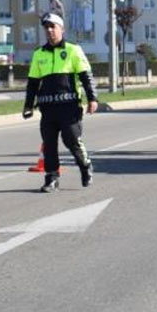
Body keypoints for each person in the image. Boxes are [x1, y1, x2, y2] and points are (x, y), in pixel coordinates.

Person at [22, 12, 99, 192]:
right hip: (48, 108)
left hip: (70, 107)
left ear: (61, 29)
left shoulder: (73, 50)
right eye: (46, 27)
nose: (49, 31)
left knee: (71, 139)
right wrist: (28, 105)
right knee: (49, 144)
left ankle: (85, 166)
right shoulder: (39, 54)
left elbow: (86, 77)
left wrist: (92, 98)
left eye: (52, 27)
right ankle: (51, 179)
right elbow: (33, 83)